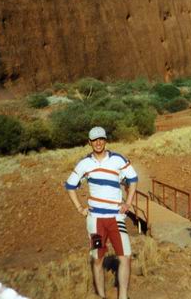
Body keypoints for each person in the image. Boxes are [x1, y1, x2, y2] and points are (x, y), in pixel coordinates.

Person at [65, 126, 138, 299]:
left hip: (116, 217)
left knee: (125, 257)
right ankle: (101, 295)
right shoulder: (84, 163)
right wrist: (79, 208)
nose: (98, 143)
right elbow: (69, 186)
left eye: (101, 139)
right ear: (89, 142)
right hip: (95, 221)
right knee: (97, 259)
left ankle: (123, 296)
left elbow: (133, 179)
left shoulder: (118, 159)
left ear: (105, 140)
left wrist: (128, 203)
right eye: (94, 140)